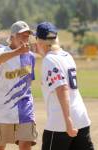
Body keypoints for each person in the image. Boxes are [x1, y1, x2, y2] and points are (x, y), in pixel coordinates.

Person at [35, 22, 94, 150]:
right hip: (81, 119)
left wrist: (67, 120)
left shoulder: (49, 60)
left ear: (39, 41)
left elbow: (62, 88)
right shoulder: (67, 56)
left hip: (61, 124)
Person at [0, 21, 38, 150]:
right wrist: (18, 51)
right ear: (12, 37)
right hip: (2, 110)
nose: (26, 38)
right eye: (22, 35)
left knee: (26, 145)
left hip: (25, 110)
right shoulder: (1, 51)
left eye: (28, 36)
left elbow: (29, 82)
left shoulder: (31, 57)